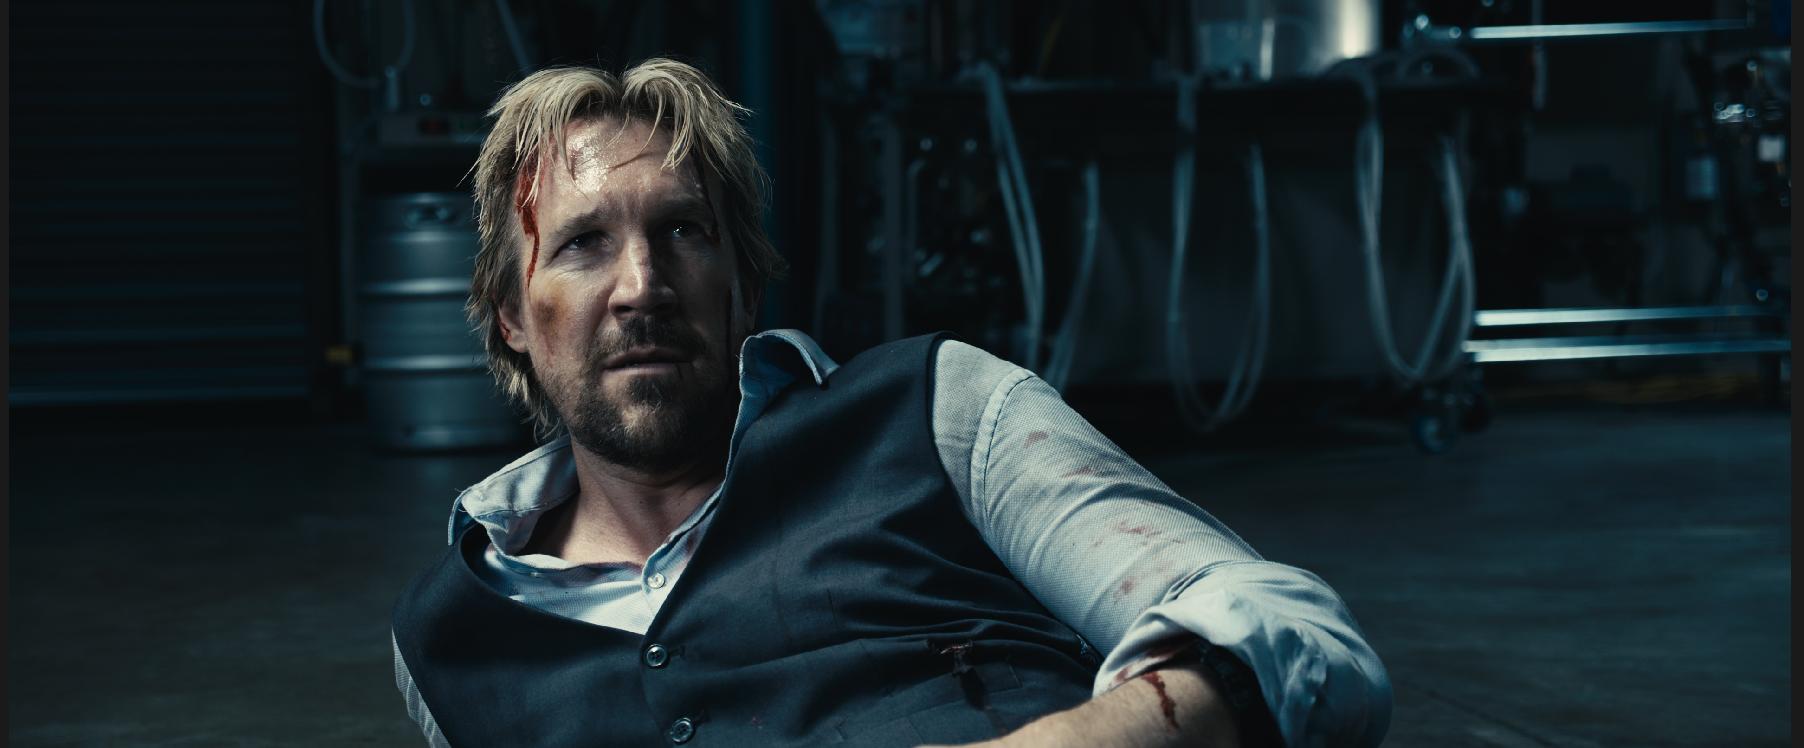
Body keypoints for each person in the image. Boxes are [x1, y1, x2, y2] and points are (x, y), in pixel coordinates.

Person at [391, 58, 1390, 747]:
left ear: (743, 286)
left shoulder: (937, 411)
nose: (642, 285)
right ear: (511, 315)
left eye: (684, 231)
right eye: (582, 244)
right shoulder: (452, 637)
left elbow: (1294, 633)